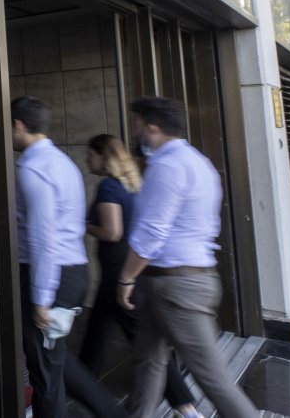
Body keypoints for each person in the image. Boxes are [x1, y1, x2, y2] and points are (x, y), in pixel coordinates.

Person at [117, 97, 257, 418]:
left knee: (213, 379)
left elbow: (152, 233)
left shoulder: (167, 166)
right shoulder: (199, 162)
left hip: (177, 285)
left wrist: (126, 277)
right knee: (149, 361)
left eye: (137, 126)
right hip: (176, 280)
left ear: (153, 128)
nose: (134, 133)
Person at [76, 134, 199, 418]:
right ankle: (77, 384)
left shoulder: (108, 187)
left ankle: (186, 407)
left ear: (103, 157)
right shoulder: (131, 185)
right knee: (98, 334)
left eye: (90, 154)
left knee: (143, 343)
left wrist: (83, 225)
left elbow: (112, 231)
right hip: (124, 270)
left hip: (116, 273)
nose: (86, 159)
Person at [11, 96, 90, 416]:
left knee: (45, 377)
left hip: (50, 274)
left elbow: (43, 238)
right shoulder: (62, 162)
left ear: (18, 125)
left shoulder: (33, 168)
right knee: (52, 366)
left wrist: (41, 297)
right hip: (72, 268)